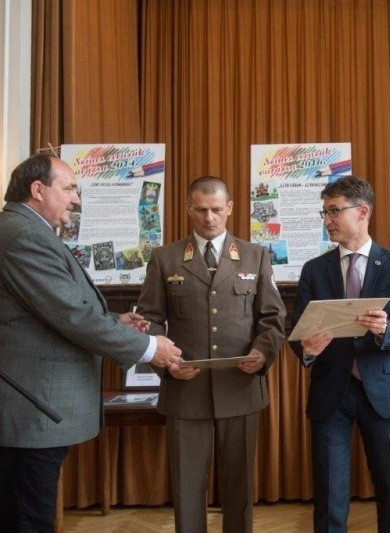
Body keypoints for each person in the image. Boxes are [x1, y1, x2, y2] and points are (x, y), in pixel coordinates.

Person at [0, 154, 183, 531]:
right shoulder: (23, 236)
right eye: (69, 188)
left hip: (31, 407)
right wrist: (151, 349)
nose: (76, 199)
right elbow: (72, 317)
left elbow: (53, 309)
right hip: (29, 409)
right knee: (26, 520)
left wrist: (114, 321)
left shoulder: (23, 229)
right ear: (38, 189)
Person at [137, 176, 286, 532]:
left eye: (216, 209)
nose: (209, 218)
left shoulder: (255, 255)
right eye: (201, 209)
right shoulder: (165, 258)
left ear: (229, 208)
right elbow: (149, 320)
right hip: (185, 389)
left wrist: (262, 354)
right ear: (188, 208)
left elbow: (273, 318)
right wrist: (167, 364)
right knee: (187, 488)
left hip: (240, 386)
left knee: (240, 487)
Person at [289, 176, 390, 533]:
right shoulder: (314, 270)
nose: (327, 220)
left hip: (382, 393)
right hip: (331, 392)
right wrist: (306, 349)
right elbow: (298, 333)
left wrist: (385, 329)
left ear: (362, 212)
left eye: (334, 211)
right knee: (329, 492)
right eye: (324, 212)